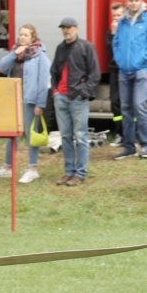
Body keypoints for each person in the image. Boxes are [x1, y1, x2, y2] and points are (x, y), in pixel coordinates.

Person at [0, 24, 50, 184]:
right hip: (14, 99)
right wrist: (13, 54)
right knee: (11, 133)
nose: (22, 37)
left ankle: (32, 168)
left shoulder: (40, 57)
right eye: (20, 35)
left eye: (25, 35)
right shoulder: (15, 53)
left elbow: (43, 82)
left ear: (33, 38)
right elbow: (2, 67)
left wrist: (40, 104)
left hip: (30, 99)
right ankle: (8, 167)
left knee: (31, 134)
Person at [112, 0, 147, 160]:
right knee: (125, 108)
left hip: (142, 69)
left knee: (139, 105)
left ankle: (146, 145)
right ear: (126, 2)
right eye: (130, 0)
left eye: (136, 0)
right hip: (124, 70)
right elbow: (116, 42)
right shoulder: (122, 22)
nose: (133, 3)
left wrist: (143, 59)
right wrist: (119, 60)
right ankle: (129, 146)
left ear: (141, 1)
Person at [51, 17, 101, 186]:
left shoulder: (86, 47)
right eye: (64, 28)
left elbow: (95, 74)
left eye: (70, 27)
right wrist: (55, 91)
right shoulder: (60, 48)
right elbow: (54, 71)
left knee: (80, 136)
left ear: (77, 29)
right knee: (65, 136)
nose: (66, 31)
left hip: (78, 99)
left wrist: (83, 92)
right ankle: (69, 172)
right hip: (62, 97)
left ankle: (80, 173)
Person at [106, 2, 125, 147]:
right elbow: (111, 51)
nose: (116, 18)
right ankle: (120, 133)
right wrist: (113, 35)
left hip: (127, 70)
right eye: (114, 15)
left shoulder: (129, 31)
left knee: (129, 104)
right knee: (115, 103)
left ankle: (131, 134)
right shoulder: (110, 32)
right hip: (114, 70)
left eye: (119, 15)